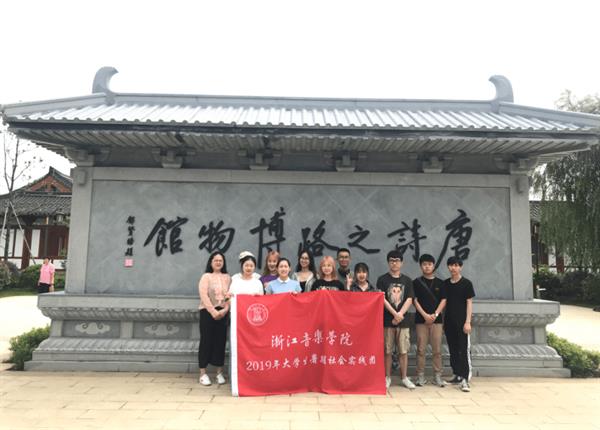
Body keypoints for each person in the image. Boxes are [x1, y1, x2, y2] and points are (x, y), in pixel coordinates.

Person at [376, 250, 415, 390]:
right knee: (387, 350)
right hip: (387, 321)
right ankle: (387, 377)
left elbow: (410, 299)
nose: (394, 263)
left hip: (403, 321)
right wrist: (394, 314)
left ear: (402, 263)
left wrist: (400, 315)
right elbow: (382, 298)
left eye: (397, 260)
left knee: (403, 351)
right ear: (388, 262)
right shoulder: (382, 279)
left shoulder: (407, 280)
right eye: (392, 260)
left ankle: (404, 377)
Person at [413, 254, 447, 387]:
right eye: (424, 264)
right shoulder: (416, 282)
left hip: (436, 321)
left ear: (434, 266)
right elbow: (414, 301)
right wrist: (425, 315)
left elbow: (444, 300)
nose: (427, 267)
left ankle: (437, 376)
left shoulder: (441, 283)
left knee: (437, 350)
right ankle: (420, 376)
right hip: (421, 320)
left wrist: (435, 314)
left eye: (429, 264)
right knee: (421, 349)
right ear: (420, 266)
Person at [198, 251, 231, 386]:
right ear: (211, 262)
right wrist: (213, 311)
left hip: (223, 313)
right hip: (207, 312)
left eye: (220, 260)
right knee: (206, 341)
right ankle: (202, 373)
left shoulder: (227, 277)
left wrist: (225, 310)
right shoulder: (206, 276)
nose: (218, 262)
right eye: (215, 260)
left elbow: (229, 295)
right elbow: (203, 295)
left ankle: (219, 372)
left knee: (220, 342)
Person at [443, 256, 475, 393]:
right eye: (451, 265)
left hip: (462, 322)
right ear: (448, 267)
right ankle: (457, 374)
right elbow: (444, 303)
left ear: (460, 267)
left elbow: (469, 303)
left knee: (463, 350)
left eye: (456, 265)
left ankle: (465, 379)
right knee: (453, 349)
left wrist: (468, 322)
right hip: (449, 322)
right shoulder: (446, 284)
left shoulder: (466, 283)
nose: (453, 268)